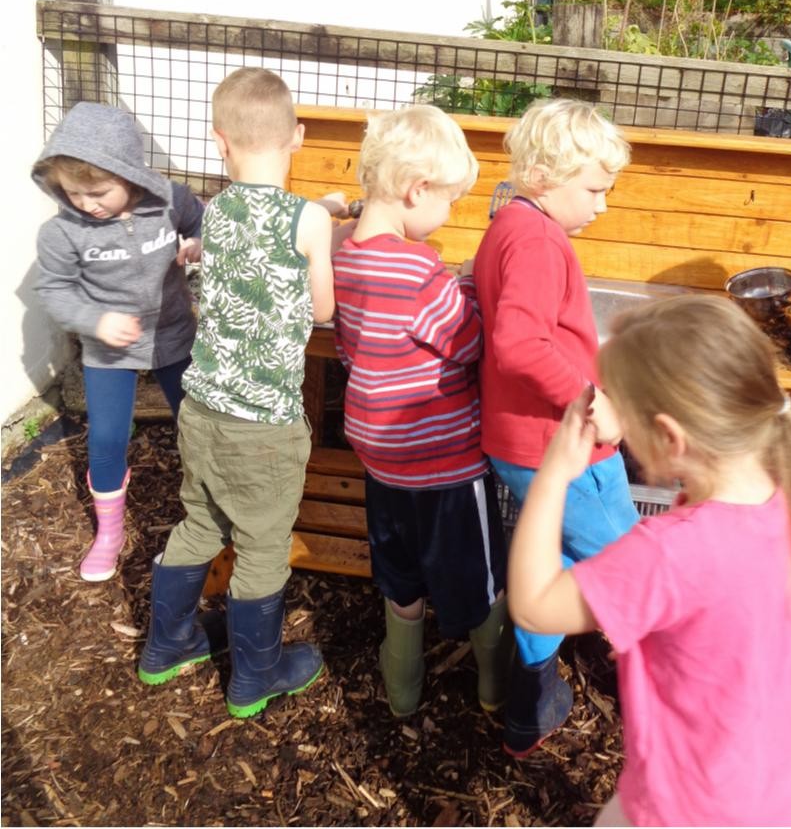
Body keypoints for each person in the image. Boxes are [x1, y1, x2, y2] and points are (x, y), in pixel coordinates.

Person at [509, 295, 791, 828]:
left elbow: (534, 606)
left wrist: (552, 473)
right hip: (784, 800)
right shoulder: (789, 497)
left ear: (668, 438)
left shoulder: (668, 551)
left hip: (684, 810)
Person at [137, 67, 336, 718]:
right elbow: (325, 310)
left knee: (201, 521)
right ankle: (256, 675)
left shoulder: (216, 213)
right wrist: (325, 233)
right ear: (298, 137)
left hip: (201, 410)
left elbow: (255, 235)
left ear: (220, 141)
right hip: (264, 427)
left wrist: (322, 218)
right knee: (261, 545)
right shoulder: (309, 220)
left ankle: (167, 645)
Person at [332, 105, 511, 718]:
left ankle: (402, 689)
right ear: (417, 190)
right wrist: (467, 284)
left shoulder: (344, 257)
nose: (450, 213)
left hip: (382, 459)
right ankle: (494, 686)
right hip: (446, 462)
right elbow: (469, 342)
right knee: (480, 580)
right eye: (450, 201)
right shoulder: (416, 266)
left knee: (401, 575)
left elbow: (351, 345)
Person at [472, 97, 637, 757]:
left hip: (520, 443)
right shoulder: (540, 239)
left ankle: (529, 704)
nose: (604, 205)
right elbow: (519, 344)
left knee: (559, 567)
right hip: (565, 448)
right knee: (638, 570)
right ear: (542, 177)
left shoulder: (510, 223)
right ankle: (664, 694)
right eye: (594, 190)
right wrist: (596, 405)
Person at [32, 102, 204, 582]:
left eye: (98, 192)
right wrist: (95, 320)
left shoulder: (170, 200)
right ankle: (109, 532)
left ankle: (208, 512)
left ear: (130, 173)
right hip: (109, 350)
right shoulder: (62, 232)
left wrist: (197, 242)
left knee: (196, 426)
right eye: (73, 192)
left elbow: (201, 221)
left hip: (173, 335)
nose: (87, 203)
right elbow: (54, 290)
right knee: (107, 438)